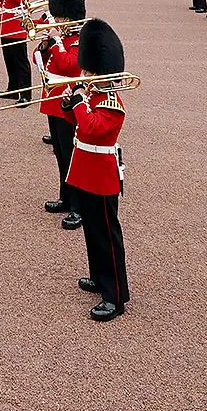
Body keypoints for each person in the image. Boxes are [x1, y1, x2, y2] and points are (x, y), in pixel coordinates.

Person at [64, 16, 130, 322]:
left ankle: (115, 295)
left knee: (106, 233)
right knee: (92, 230)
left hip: (102, 175)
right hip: (85, 170)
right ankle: (98, 276)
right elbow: (76, 125)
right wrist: (71, 104)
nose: (85, 75)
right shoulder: (93, 96)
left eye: (90, 71)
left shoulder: (111, 103)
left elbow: (90, 128)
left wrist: (78, 102)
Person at [38, 0, 84, 228]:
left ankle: (79, 206)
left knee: (71, 155)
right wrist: (45, 46)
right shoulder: (61, 38)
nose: (55, 21)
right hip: (52, 100)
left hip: (67, 103)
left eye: (59, 17)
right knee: (60, 154)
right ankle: (65, 198)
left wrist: (55, 43)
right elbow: (40, 58)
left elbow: (69, 66)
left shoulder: (77, 38)